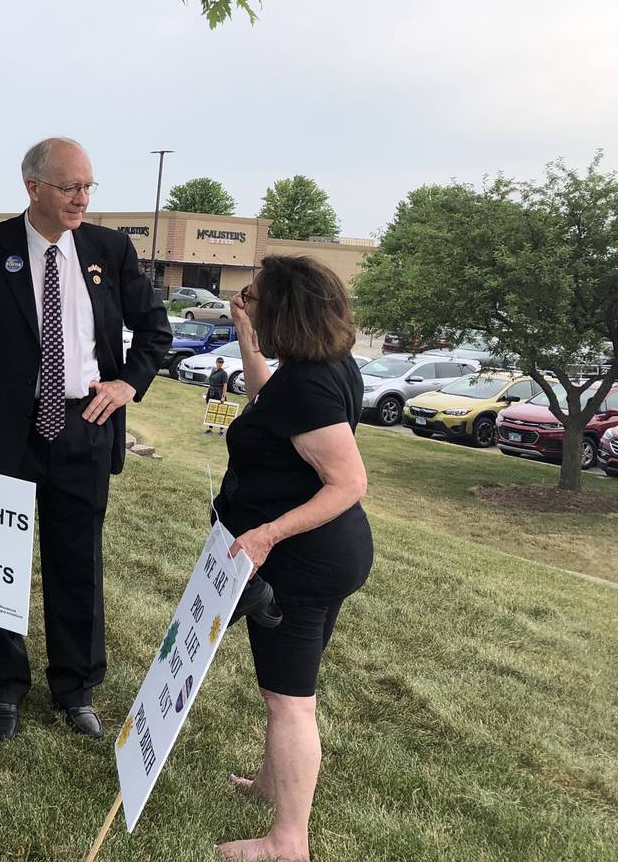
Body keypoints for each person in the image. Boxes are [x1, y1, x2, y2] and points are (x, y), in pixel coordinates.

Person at [0, 137, 173, 744]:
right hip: (6, 432)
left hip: (83, 428)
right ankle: (3, 687)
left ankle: (75, 688)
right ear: (33, 187)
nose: (82, 199)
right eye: (69, 187)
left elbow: (155, 330)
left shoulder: (109, 250)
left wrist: (125, 386)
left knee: (77, 561)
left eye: (89, 187)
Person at [210, 255, 372, 862]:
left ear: (286, 311)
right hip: (328, 557)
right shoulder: (322, 368)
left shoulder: (309, 384)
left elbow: (348, 482)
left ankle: (286, 842)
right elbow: (265, 399)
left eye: (256, 297)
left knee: (290, 700)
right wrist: (246, 339)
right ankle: (271, 785)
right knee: (287, 687)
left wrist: (265, 535)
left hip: (301, 564)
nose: (248, 299)